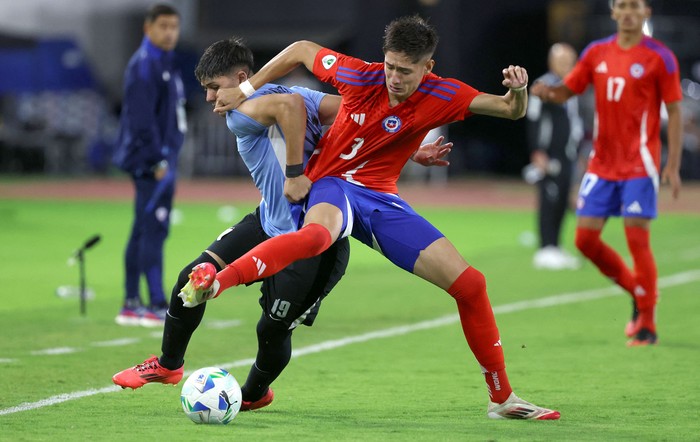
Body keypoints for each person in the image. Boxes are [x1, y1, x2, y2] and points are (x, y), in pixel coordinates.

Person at [183, 15, 560, 420]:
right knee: (315, 237)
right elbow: (299, 49)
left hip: (380, 198)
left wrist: (518, 92)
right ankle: (216, 281)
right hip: (332, 184)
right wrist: (245, 88)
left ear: (427, 67)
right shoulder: (361, 75)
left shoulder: (444, 94)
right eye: (390, 65)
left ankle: (502, 398)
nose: (394, 77)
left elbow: (509, 110)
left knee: (471, 285)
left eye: (405, 70)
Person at [112, 36, 450, 410]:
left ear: (242, 78)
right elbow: (360, 119)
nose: (210, 99)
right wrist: (411, 149)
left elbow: (295, 109)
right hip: (268, 222)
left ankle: (254, 394)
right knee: (191, 277)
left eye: (214, 88)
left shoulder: (248, 108)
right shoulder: (293, 94)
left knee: (271, 329)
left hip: (315, 242)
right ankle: (167, 365)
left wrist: (293, 173)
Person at [530, 0, 683, 346]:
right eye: (622, 6)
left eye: (635, 6)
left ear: (647, 13)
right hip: (602, 163)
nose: (628, 12)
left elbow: (673, 111)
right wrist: (546, 92)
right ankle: (640, 294)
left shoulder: (660, 57)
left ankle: (647, 323)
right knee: (584, 240)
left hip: (639, 163)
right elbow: (567, 89)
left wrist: (671, 164)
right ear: (613, 12)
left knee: (636, 238)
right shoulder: (596, 53)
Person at [112, 4, 187, 327]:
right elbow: (141, 119)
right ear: (149, 28)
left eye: (174, 26)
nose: (170, 32)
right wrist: (158, 159)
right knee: (151, 228)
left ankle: (134, 301)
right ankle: (152, 302)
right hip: (151, 161)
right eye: (164, 26)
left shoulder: (163, 62)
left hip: (160, 159)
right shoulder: (145, 65)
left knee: (147, 227)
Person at [525, 43, 583, 270]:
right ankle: (545, 248)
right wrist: (537, 151)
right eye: (562, 61)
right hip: (549, 154)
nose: (567, 66)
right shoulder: (543, 86)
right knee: (549, 199)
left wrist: (577, 152)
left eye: (570, 61)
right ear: (552, 62)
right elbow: (534, 119)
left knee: (563, 201)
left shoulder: (572, 87)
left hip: (568, 154)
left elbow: (574, 124)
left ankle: (556, 246)